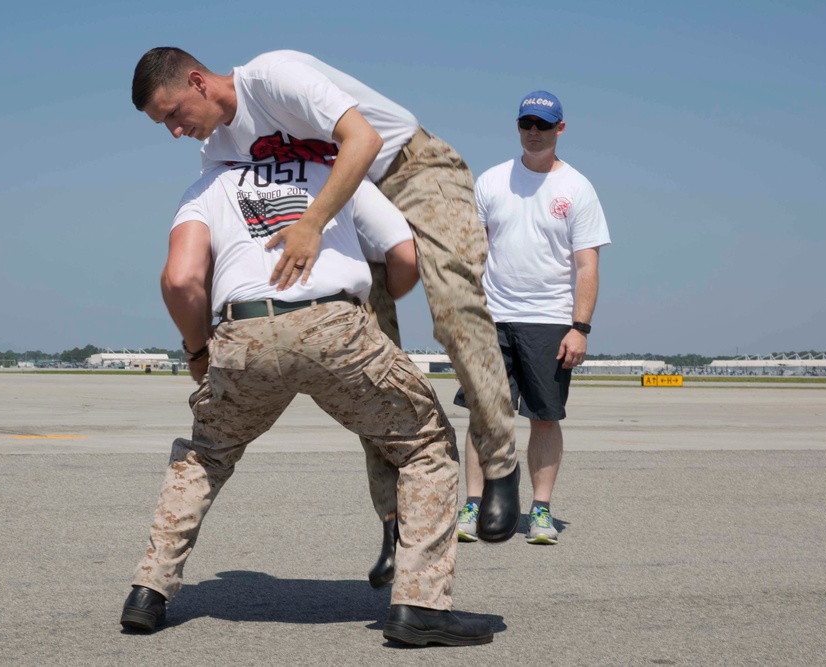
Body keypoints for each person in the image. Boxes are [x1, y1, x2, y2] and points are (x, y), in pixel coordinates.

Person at [130, 48, 522, 567]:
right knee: (373, 365)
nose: (175, 132)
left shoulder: (272, 77)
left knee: (453, 304)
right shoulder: (218, 149)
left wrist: (312, 225)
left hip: (408, 169)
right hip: (347, 203)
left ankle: (499, 462)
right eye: (164, 125)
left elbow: (364, 139)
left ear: (199, 82)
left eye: (173, 114)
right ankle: (394, 521)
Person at [120, 158, 493, 646]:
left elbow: (180, 279)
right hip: (332, 327)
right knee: (425, 445)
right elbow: (404, 255)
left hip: (244, 330)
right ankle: (420, 605)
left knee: (206, 456)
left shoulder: (209, 186)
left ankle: (149, 591)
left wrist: (197, 351)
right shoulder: (335, 173)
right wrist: (373, 314)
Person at [454, 91, 610, 545]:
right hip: (492, 318)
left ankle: (540, 511)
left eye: (543, 124)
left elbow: (587, 265)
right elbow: (470, 252)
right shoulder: (492, 181)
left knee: (544, 417)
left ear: (560, 128)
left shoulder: (577, 188)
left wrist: (579, 328)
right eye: (526, 123)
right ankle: (473, 504)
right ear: (517, 126)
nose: (533, 131)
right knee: (484, 416)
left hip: (550, 322)